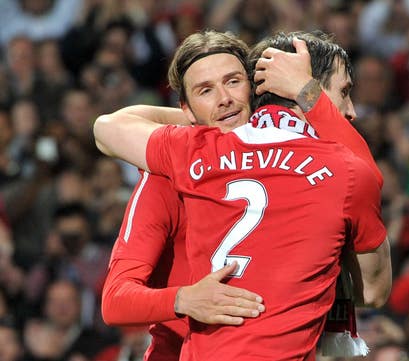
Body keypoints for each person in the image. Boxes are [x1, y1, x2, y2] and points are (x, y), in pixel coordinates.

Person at [94, 29, 391, 360]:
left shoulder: (204, 155)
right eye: (205, 91)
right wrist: (183, 299)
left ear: (256, 88)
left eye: (234, 82)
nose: (225, 99)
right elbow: (116, 299)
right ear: (188, 110)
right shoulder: (174, 168)